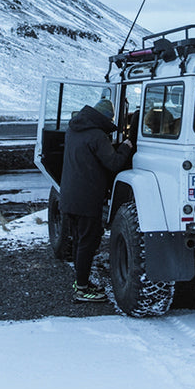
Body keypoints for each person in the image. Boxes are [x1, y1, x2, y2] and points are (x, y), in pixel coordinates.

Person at [59, 97, 134, 302]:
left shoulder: (74, 130)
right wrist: (126, 146)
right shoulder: (97, 136)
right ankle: (82, 290)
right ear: (104, 118)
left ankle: (80, 282)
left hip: (69, 196)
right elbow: (114, 163)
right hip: (86, 199)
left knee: (79, 241)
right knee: (88, 243)